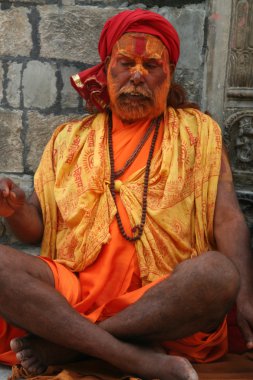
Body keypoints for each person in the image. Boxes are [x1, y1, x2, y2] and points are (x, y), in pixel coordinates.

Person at [0, 8, 252, 380]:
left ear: (168, 74)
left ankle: (71, 346)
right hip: (70, 295)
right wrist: (15, 209)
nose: (137, 75)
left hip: (160, 300)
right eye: (125, 63)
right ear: (106, 70)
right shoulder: (69, 139)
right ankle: (133, 357)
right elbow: (34, 230)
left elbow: (229, 218)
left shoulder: (198, 133)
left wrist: (246, 297)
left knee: (217, 274)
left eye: (151, 64)